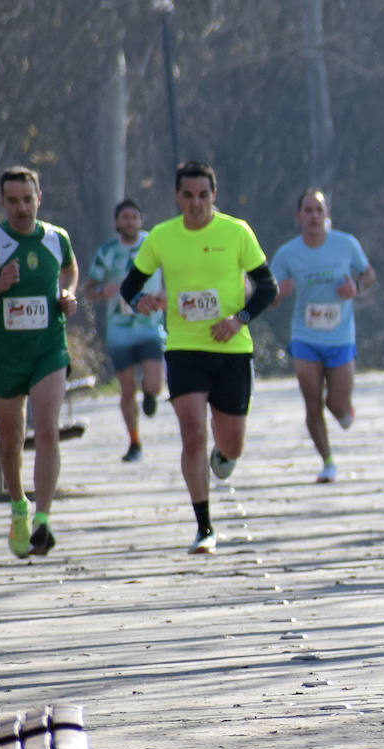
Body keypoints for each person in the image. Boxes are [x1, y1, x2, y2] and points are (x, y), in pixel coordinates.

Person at [118, 161, 278, 554]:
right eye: (188, 196)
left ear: (214, 195)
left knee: (232, 444)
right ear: (177, 196)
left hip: (232, 349)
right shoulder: (161, 237)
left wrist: (238, 320)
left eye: (203, 195)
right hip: (184, 348)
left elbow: (268, 287)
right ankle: (204, 527)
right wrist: (145, 302)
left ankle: (224, 454)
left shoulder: (236, 231)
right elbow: (129, 287)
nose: (196, 204)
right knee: (192, 432)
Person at [0, 166, 79, 558]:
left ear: (39, 198)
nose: (22, 208)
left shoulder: (57, 238)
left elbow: (70, 270)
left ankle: (44, 520)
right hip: (6, 354)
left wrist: (68, 293)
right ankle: (20, 508)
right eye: (13, 201)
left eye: (28, 199)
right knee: (10, 442)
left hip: (49, 349)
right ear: (2, 202)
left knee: (46, 431)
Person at [270, 189, 376, 483]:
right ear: (298, 216)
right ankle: (328, 461)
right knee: (312, 400)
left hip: (341, 337)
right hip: (305, 337)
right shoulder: (287, 253)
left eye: (319, 210)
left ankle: (344, 410)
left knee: (337, 405)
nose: (314, 216)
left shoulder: (345, 244)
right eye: (308, 210)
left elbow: (369, 275)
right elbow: (270, 295)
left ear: (327, 214)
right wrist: (280, 292)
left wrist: (357, 287)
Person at [81, 199, 166, 463]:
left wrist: (166, 293)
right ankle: (134, 442)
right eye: (124, 217)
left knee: (154, 381)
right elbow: (88, 289)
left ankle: (150, 393)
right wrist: (101, 292)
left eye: (134, 217)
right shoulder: (107, 252)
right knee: (126, 389)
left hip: (150, 325)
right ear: (117, 222)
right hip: (120, 331)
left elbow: (174, 275)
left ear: (141, 220)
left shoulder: (154, 245)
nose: (129, 222)